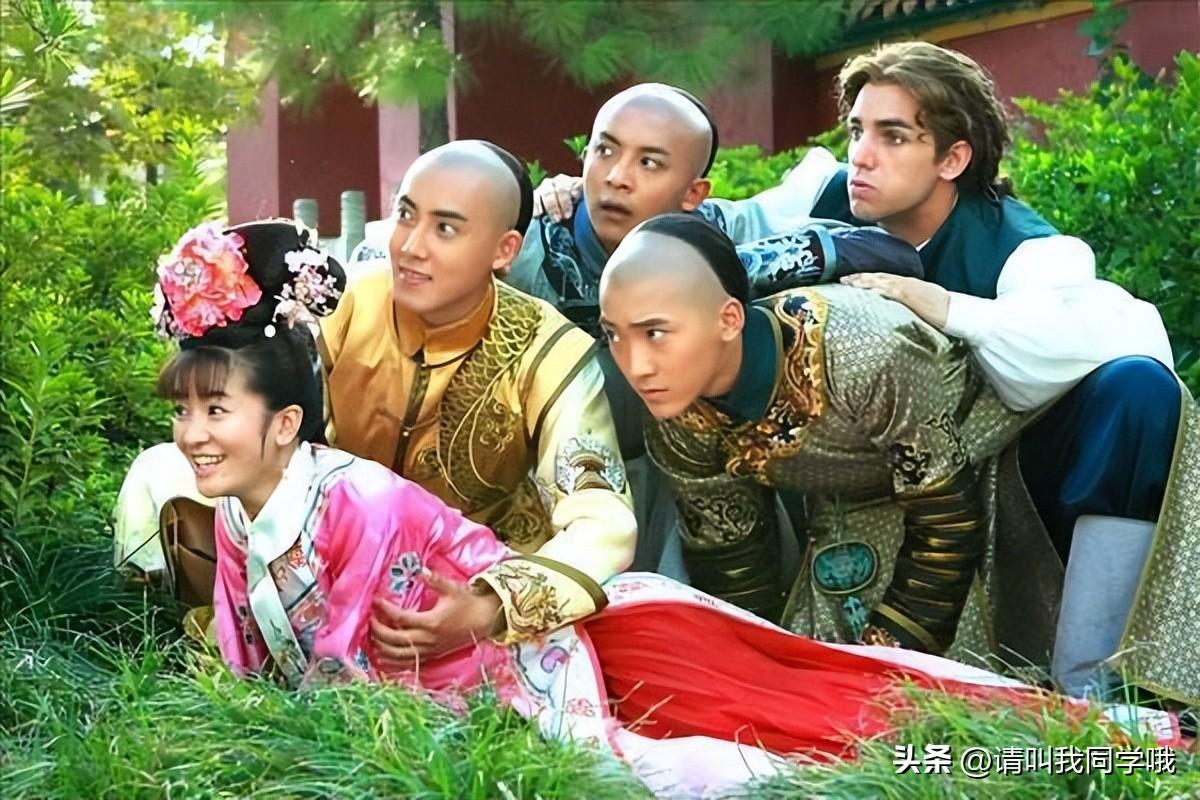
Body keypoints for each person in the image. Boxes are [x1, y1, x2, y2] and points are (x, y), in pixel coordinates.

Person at [147, 223, 1183, 797]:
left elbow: (338, 672)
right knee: (822, 704)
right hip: (639, 625)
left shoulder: (356, 498)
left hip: (599, 646)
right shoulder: (243, 513)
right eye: (617, 336)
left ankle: (1113, 743)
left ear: (286, 419)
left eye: (216, 410)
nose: (634, 363)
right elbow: (732, 552)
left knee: (856, 712)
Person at [509, 82, 924, 577]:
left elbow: (889, 252)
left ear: (693, 194)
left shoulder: (717, 231)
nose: (617, 177)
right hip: (552, 494)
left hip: (689, 487)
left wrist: (703, 276)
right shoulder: (527, 244)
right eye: (604, 151)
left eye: (649, 163)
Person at [317, 141, 636, 653]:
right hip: (325, 562)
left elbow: (602, 520)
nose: (411, 246)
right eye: (406, 215)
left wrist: (491, 608)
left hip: (472, 581)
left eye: (445, 228)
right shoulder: (340, 303)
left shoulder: (549, 349)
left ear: (504, 251)